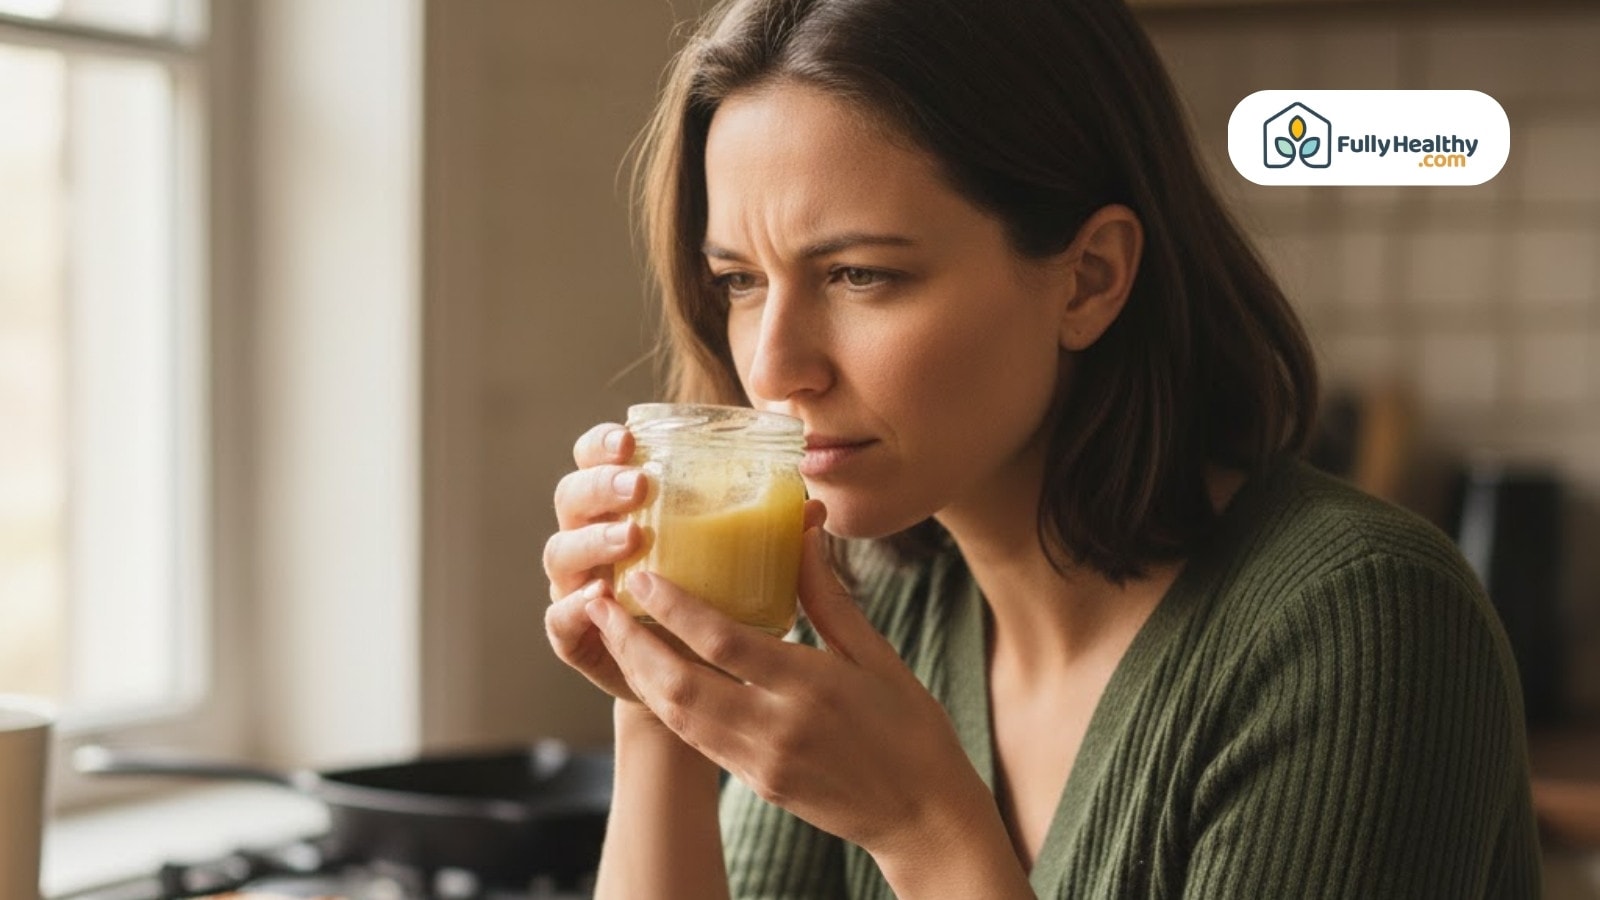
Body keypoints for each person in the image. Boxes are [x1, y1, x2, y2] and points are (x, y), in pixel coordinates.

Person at [542, 0, 1542, 896]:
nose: (773, 367)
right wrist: (659, 705)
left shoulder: (1362, 625)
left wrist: (924, 828)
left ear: (1089, 279)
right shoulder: (867, 602)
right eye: (740, 282)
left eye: (857, 276)